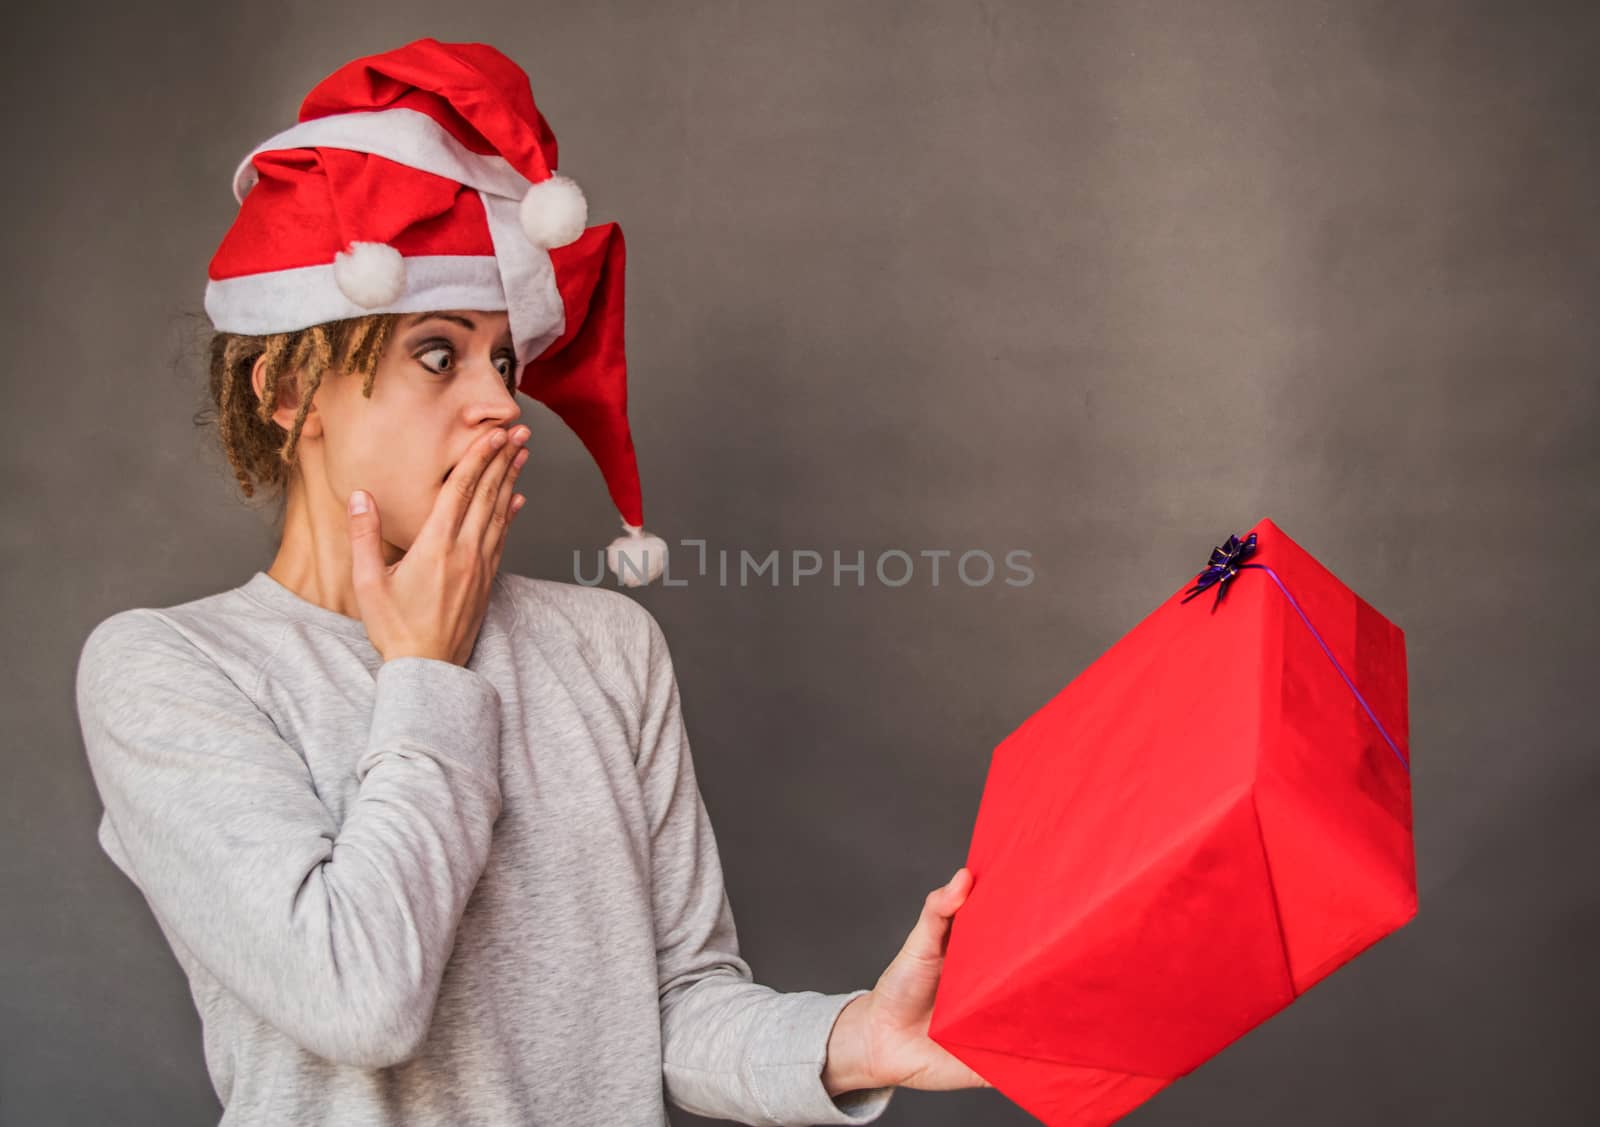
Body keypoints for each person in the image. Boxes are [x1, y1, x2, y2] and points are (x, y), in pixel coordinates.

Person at [73, 38, 990, 1126]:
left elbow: (677, 1008)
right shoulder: (170, 670)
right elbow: (358, 994)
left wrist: (852, 1040)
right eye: (435, 352)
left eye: (503, 359)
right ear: (289, 390)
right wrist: (424, 670)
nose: (503, 406)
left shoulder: (607, 648)